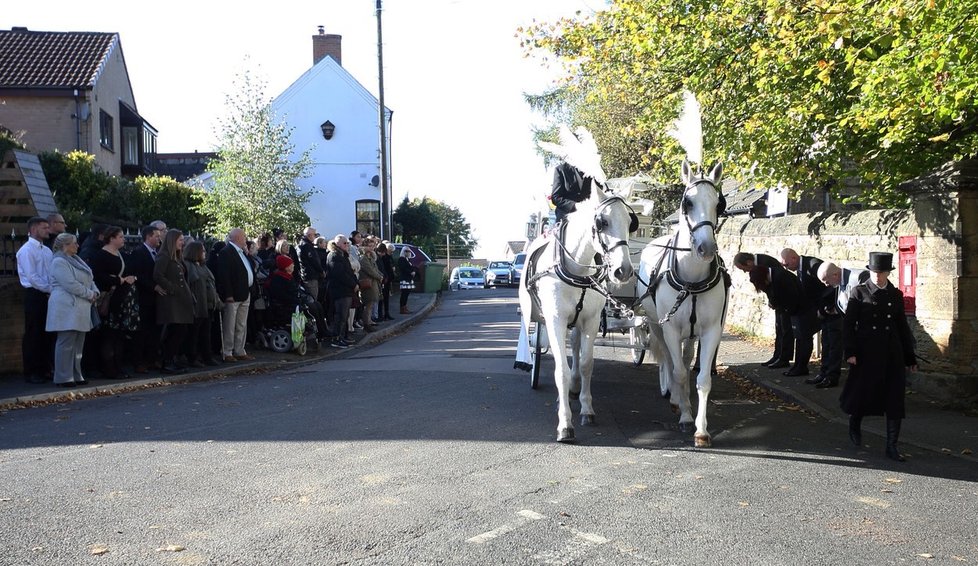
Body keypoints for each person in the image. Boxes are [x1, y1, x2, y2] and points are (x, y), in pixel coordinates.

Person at [840, 252, 917, 462]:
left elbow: (902, 326)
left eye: (881, 272)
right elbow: (848, 325)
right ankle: (854, 423)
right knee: (862, 394)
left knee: (894, 399)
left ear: (887, 273)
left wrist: (909, 357)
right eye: (874, 272)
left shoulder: (895, 295)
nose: (877, 276)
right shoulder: (859, 292)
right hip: (866, 352)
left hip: (892, 353)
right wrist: (851, 352)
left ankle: (892, 446)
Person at [45, 233, 100, 387]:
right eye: (74, 243)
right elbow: (69, 283)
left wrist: (95, 291)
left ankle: (76, 374)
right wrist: (89, 294)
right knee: (66, 341)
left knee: (78, 343)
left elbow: (90, 278)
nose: (77, 246)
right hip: (66, 306)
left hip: (81, 305)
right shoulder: (58, 261)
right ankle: (63, 376)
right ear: (65, 245)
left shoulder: (77, 260)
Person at [89, 226, 139, 379]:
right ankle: (109, 369)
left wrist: (132, 278)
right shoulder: (101, 255)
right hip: (110, 300)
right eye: (121, 237)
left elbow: (131, 270)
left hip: (123, 299)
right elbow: (97, 276)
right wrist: (119, 280)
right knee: (109, 335)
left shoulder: (121, 254)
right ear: (111, 238)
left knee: (119, 335)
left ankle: (118, 367)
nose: (124, 239)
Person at [814, 262, 871, 389]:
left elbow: (870, 302)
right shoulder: (839, 281)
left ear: (835, 274)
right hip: (850, 326)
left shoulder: (859, 277)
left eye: (826, 281)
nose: (826, 285)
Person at [733, 252, 794, 368]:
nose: (745, 272)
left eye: (743, 268)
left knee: (785, 329)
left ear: (749, 262)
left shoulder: (766, 263)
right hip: (777, 300)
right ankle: (777, 355)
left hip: (784, 300)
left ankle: (784, 357)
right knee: (779, 328)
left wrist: (773, 300)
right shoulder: (758, 264)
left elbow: (774, 283)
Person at [16, 216, 53, 384]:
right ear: (33, 230)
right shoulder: (26, 250)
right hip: (34, 294)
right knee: (33, 333)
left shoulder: (47, 251)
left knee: (47, 333)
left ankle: (44, 368)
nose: (48, 230)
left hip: (48, 294)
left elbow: (51, 272)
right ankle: (31, 371)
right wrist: (49, 289)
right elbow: (32, 277)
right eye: (44, 227)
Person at [779, 248, 824, 377]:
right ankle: (798, 365)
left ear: (794, 258)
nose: (787, 268)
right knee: (799, 335)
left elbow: (827, 285)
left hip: (817, 308)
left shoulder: (813, 265)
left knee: (805, 336)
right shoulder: (799, 267)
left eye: (787, 265)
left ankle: (802, 366)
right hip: (806, 308)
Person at [153, 229, 193, 374]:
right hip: (171, 300)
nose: (182, 243)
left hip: (180, 300)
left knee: (181, 330)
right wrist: (172, 288)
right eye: (180, 240)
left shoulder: (177, 257)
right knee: (175, 330)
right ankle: (166, 361)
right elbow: (158, 275)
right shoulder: (164, 256)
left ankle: (172, 359)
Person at [266, 255, 330, 341]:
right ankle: (321, 332)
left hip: (295, 301)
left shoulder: (289, 276)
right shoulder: (278, 279)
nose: (293, 266)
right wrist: (298, 300)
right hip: (286, 305)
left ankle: (324, 330)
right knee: (312, 307)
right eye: (291, 264)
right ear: (285, 267)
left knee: (317, 304)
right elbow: (281, 296)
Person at [215, 228, 256, 362]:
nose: (245, 239)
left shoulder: (242, 252)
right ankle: (227, 351)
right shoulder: (226, 252)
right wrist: (228, 294)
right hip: (233, 295)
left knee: (241, 324)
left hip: (245, 292)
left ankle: (239, 350)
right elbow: (224, 275)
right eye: (244, 236)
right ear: (237, 238)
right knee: (230, 325)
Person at [128, 225, 164, 373]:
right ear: (148, 237)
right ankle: (139, 361)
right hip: (143, 297)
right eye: (156, 236)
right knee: (141, 332)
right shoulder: (139, 253)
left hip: (156, 300)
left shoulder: (157, 253)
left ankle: (152, 359)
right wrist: (153, 286)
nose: (159, 239)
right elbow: (138, 274)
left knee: (154, 331)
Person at [183, 240, 221, 367]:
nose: (205, 253)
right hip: (196, 304)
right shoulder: (188, 266)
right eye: (202, 251)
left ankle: (207, 356)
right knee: (194, 333)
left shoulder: (203, 266)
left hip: (208, 304)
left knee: (206, 332)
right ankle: (192, 357)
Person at [325, 235, 358, 348]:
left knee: (345, 315)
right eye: (345, 243)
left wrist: (355, 282)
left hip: (346, 290)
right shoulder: (334, 255)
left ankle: (343, 337)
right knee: (340, 315)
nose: (347, 245)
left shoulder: (342, 255)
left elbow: (349, 271)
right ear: (338, 244)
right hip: (340, 291)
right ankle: (336, 338)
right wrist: (353, 284)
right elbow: (340, 274)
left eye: (348, 243)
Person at [357, 237, 384, 332]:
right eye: (369, 246)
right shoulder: (363, 258)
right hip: (368, 284)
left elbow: (375, 269)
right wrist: (379, 277)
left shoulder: (371, 257)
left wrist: (381, 275)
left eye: (373, 246)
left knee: (371, 304)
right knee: (368, 304)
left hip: (374, 283)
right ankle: (366, 324)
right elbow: (370, 271)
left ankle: (369, 321)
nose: (371, 248)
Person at [298, 226, 326, 301]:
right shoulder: (306, 246)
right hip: (310, 276)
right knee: (312, 299)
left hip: (309, 275)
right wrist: (321, 271)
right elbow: (313, 260)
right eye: (314, 234)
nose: (315, 236)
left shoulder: (306, 244)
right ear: (309, 235)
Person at [376, 241, 396, 321]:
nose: (391, 253)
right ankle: (381, 314)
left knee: (386, 297)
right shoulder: (383, 257)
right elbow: (383, 268)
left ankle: (386, 313)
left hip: (388, 279)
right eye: (390, 251)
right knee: (381, 298)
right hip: (384, 280)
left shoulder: (388, 257)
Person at [397, 246, 418, 314]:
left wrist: (414, 271)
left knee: (407, 293)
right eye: (406, 251)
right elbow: (403, 268)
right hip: (405, 278)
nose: (408, 252)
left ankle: (405, 307)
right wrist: (410, 272)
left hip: (409, 278)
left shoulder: (407, 259)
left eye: (409, 251)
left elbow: (411, 267)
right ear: (404, 252)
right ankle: (402, 308)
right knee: (404, 293)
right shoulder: (401, 259)